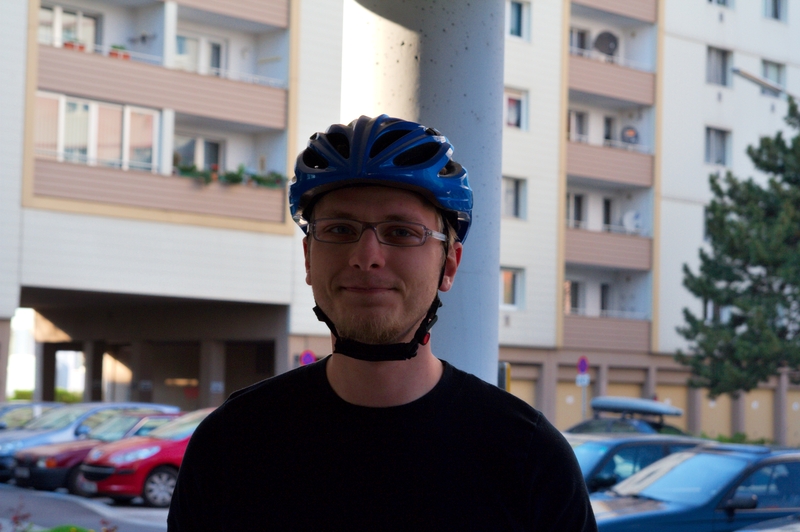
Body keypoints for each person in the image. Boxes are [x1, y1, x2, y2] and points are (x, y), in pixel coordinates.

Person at [167, 115, 597, 531]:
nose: (366, 256)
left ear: (449, 264)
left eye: (401, 232)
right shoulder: (231, 442)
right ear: (309, 258)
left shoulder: (529, 458)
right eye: (339, 230)